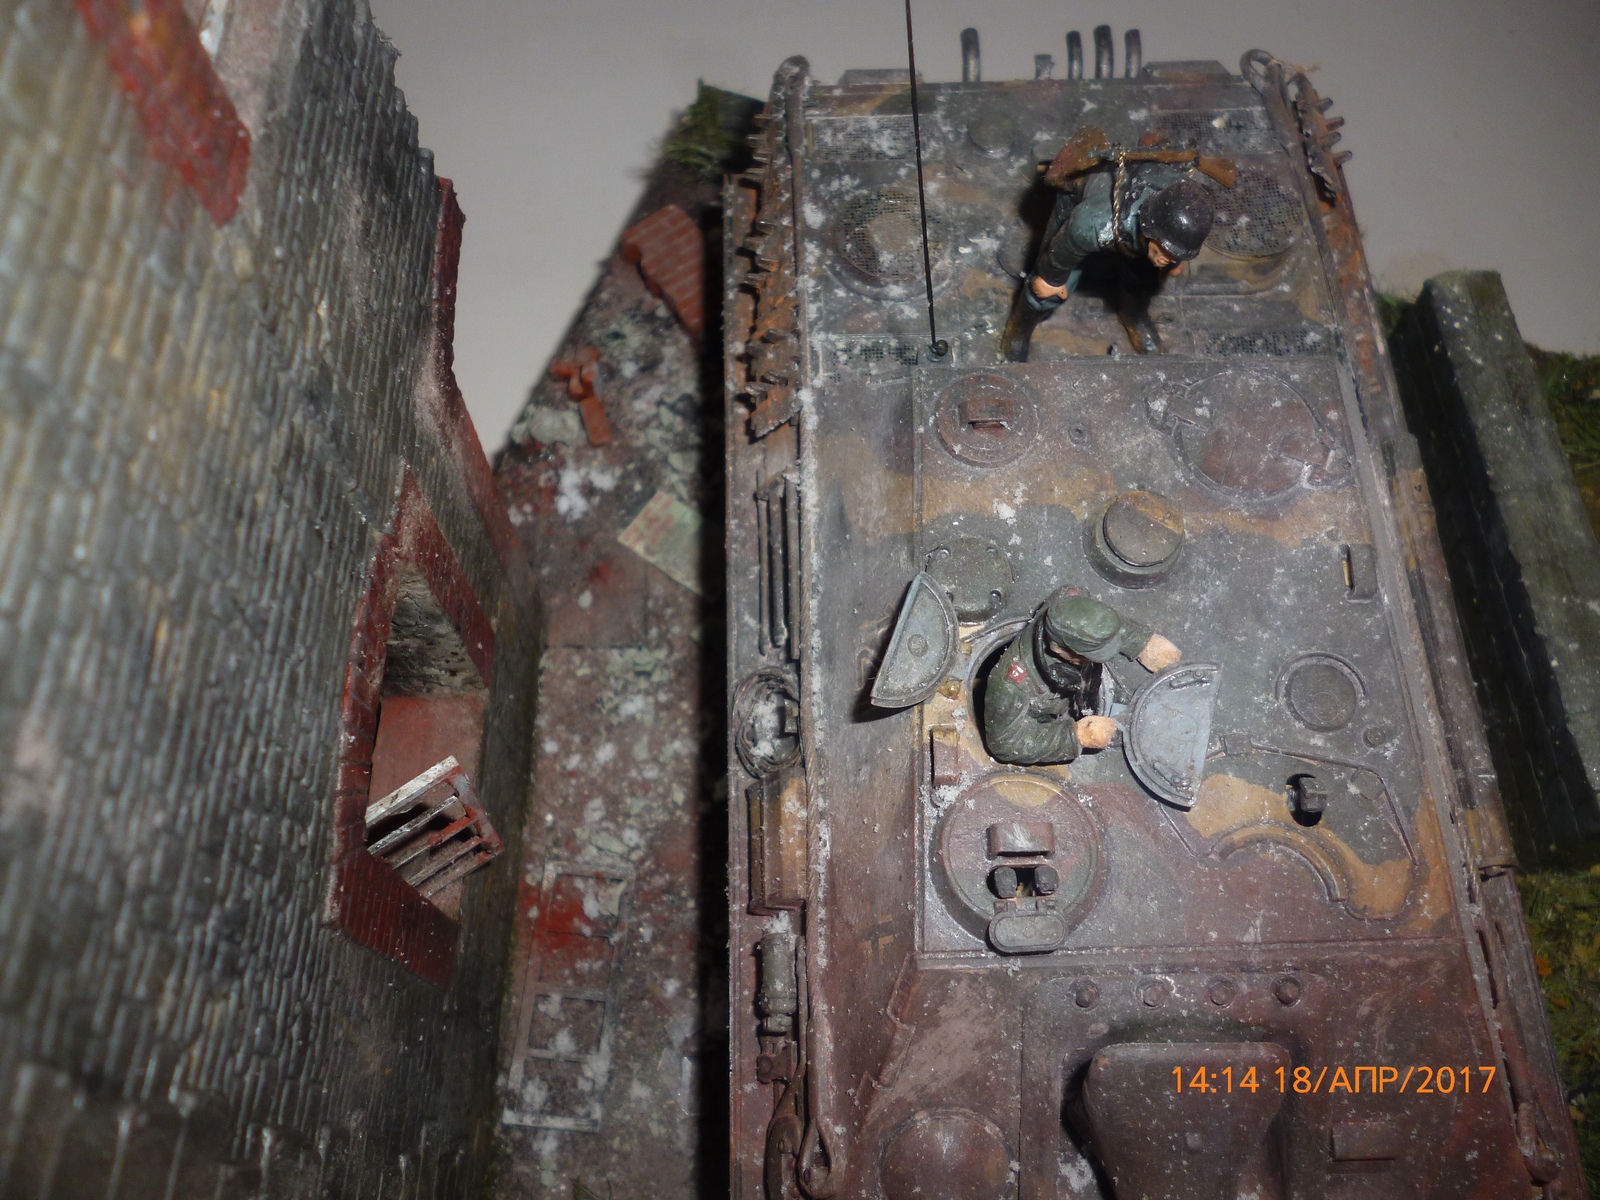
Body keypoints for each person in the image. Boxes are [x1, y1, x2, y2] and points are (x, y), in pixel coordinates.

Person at [1003, 158, 1216, 361]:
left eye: (1173, 255)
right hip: (1078, 204)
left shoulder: (1184, 197)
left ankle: (1133, 314)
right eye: (1165, 251)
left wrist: (1175, 262)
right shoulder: (1092, 224)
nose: (1166, 259)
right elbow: (1059, 253)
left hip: (1143, 231)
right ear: (1150, 229)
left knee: (1145, 279)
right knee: (1044, 290)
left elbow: (1180, 238)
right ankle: (1020, 328)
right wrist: (1051, 279)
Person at [982, 587, 1182, 766]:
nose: (1095, 659)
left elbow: (1096, 620)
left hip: (1081, 686)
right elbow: (1003, 743)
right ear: (1059, 649)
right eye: (1088, 655)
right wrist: (1076, 736)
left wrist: (1141, 642)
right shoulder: (1010, 687)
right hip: (1041, 722)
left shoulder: (1069, 599)